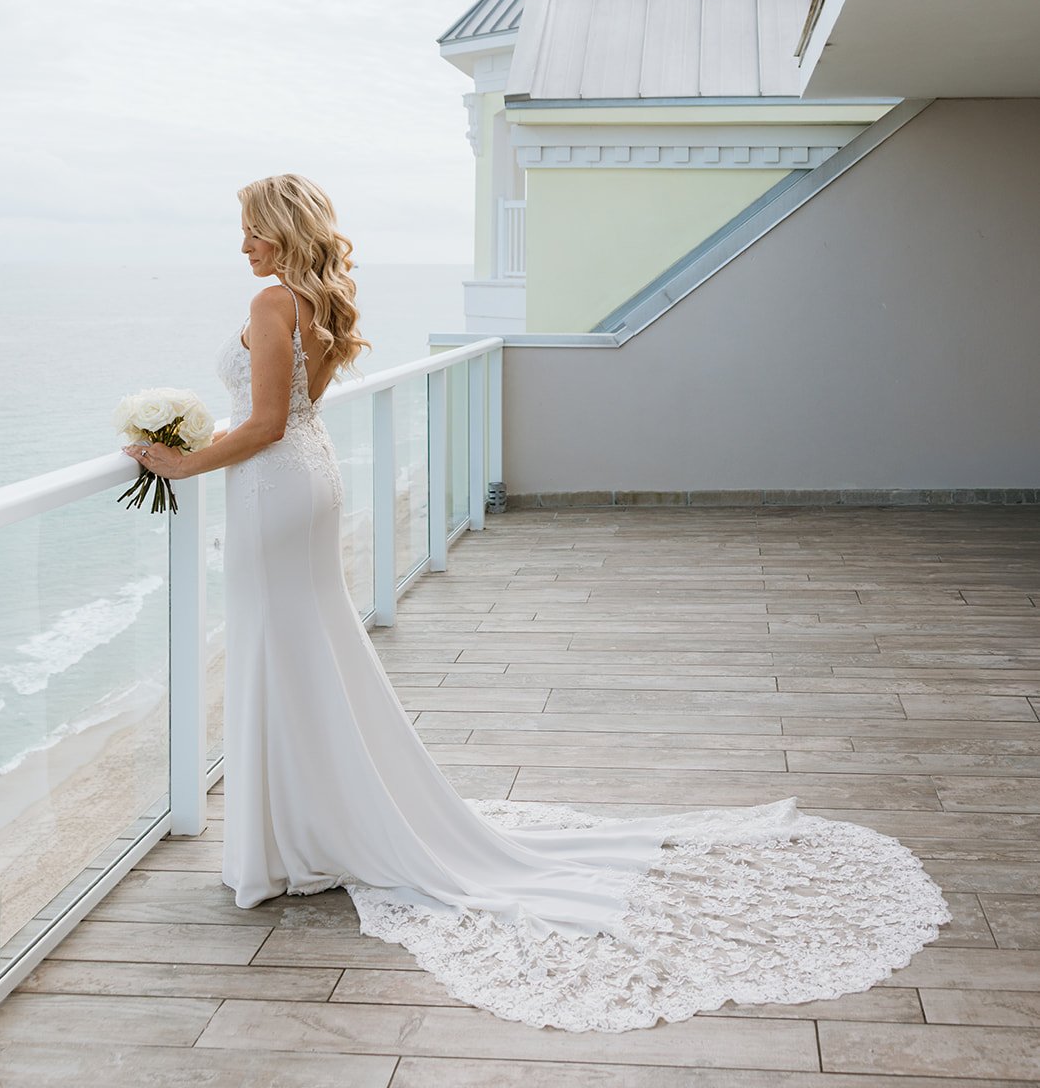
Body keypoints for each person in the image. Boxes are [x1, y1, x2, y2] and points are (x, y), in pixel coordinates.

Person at [124, 172, 951, 1032]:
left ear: (281, 229)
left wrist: (182, 461)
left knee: (280, 648)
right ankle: (310, 823)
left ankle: (290, 835)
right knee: (308, 648)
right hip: (311, 480)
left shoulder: (269, 303)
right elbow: (296, 413)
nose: (245, 245)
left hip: (272, 489)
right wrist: (204, 436)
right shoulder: (318, 303)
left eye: (252, 229)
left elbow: (262, 425)